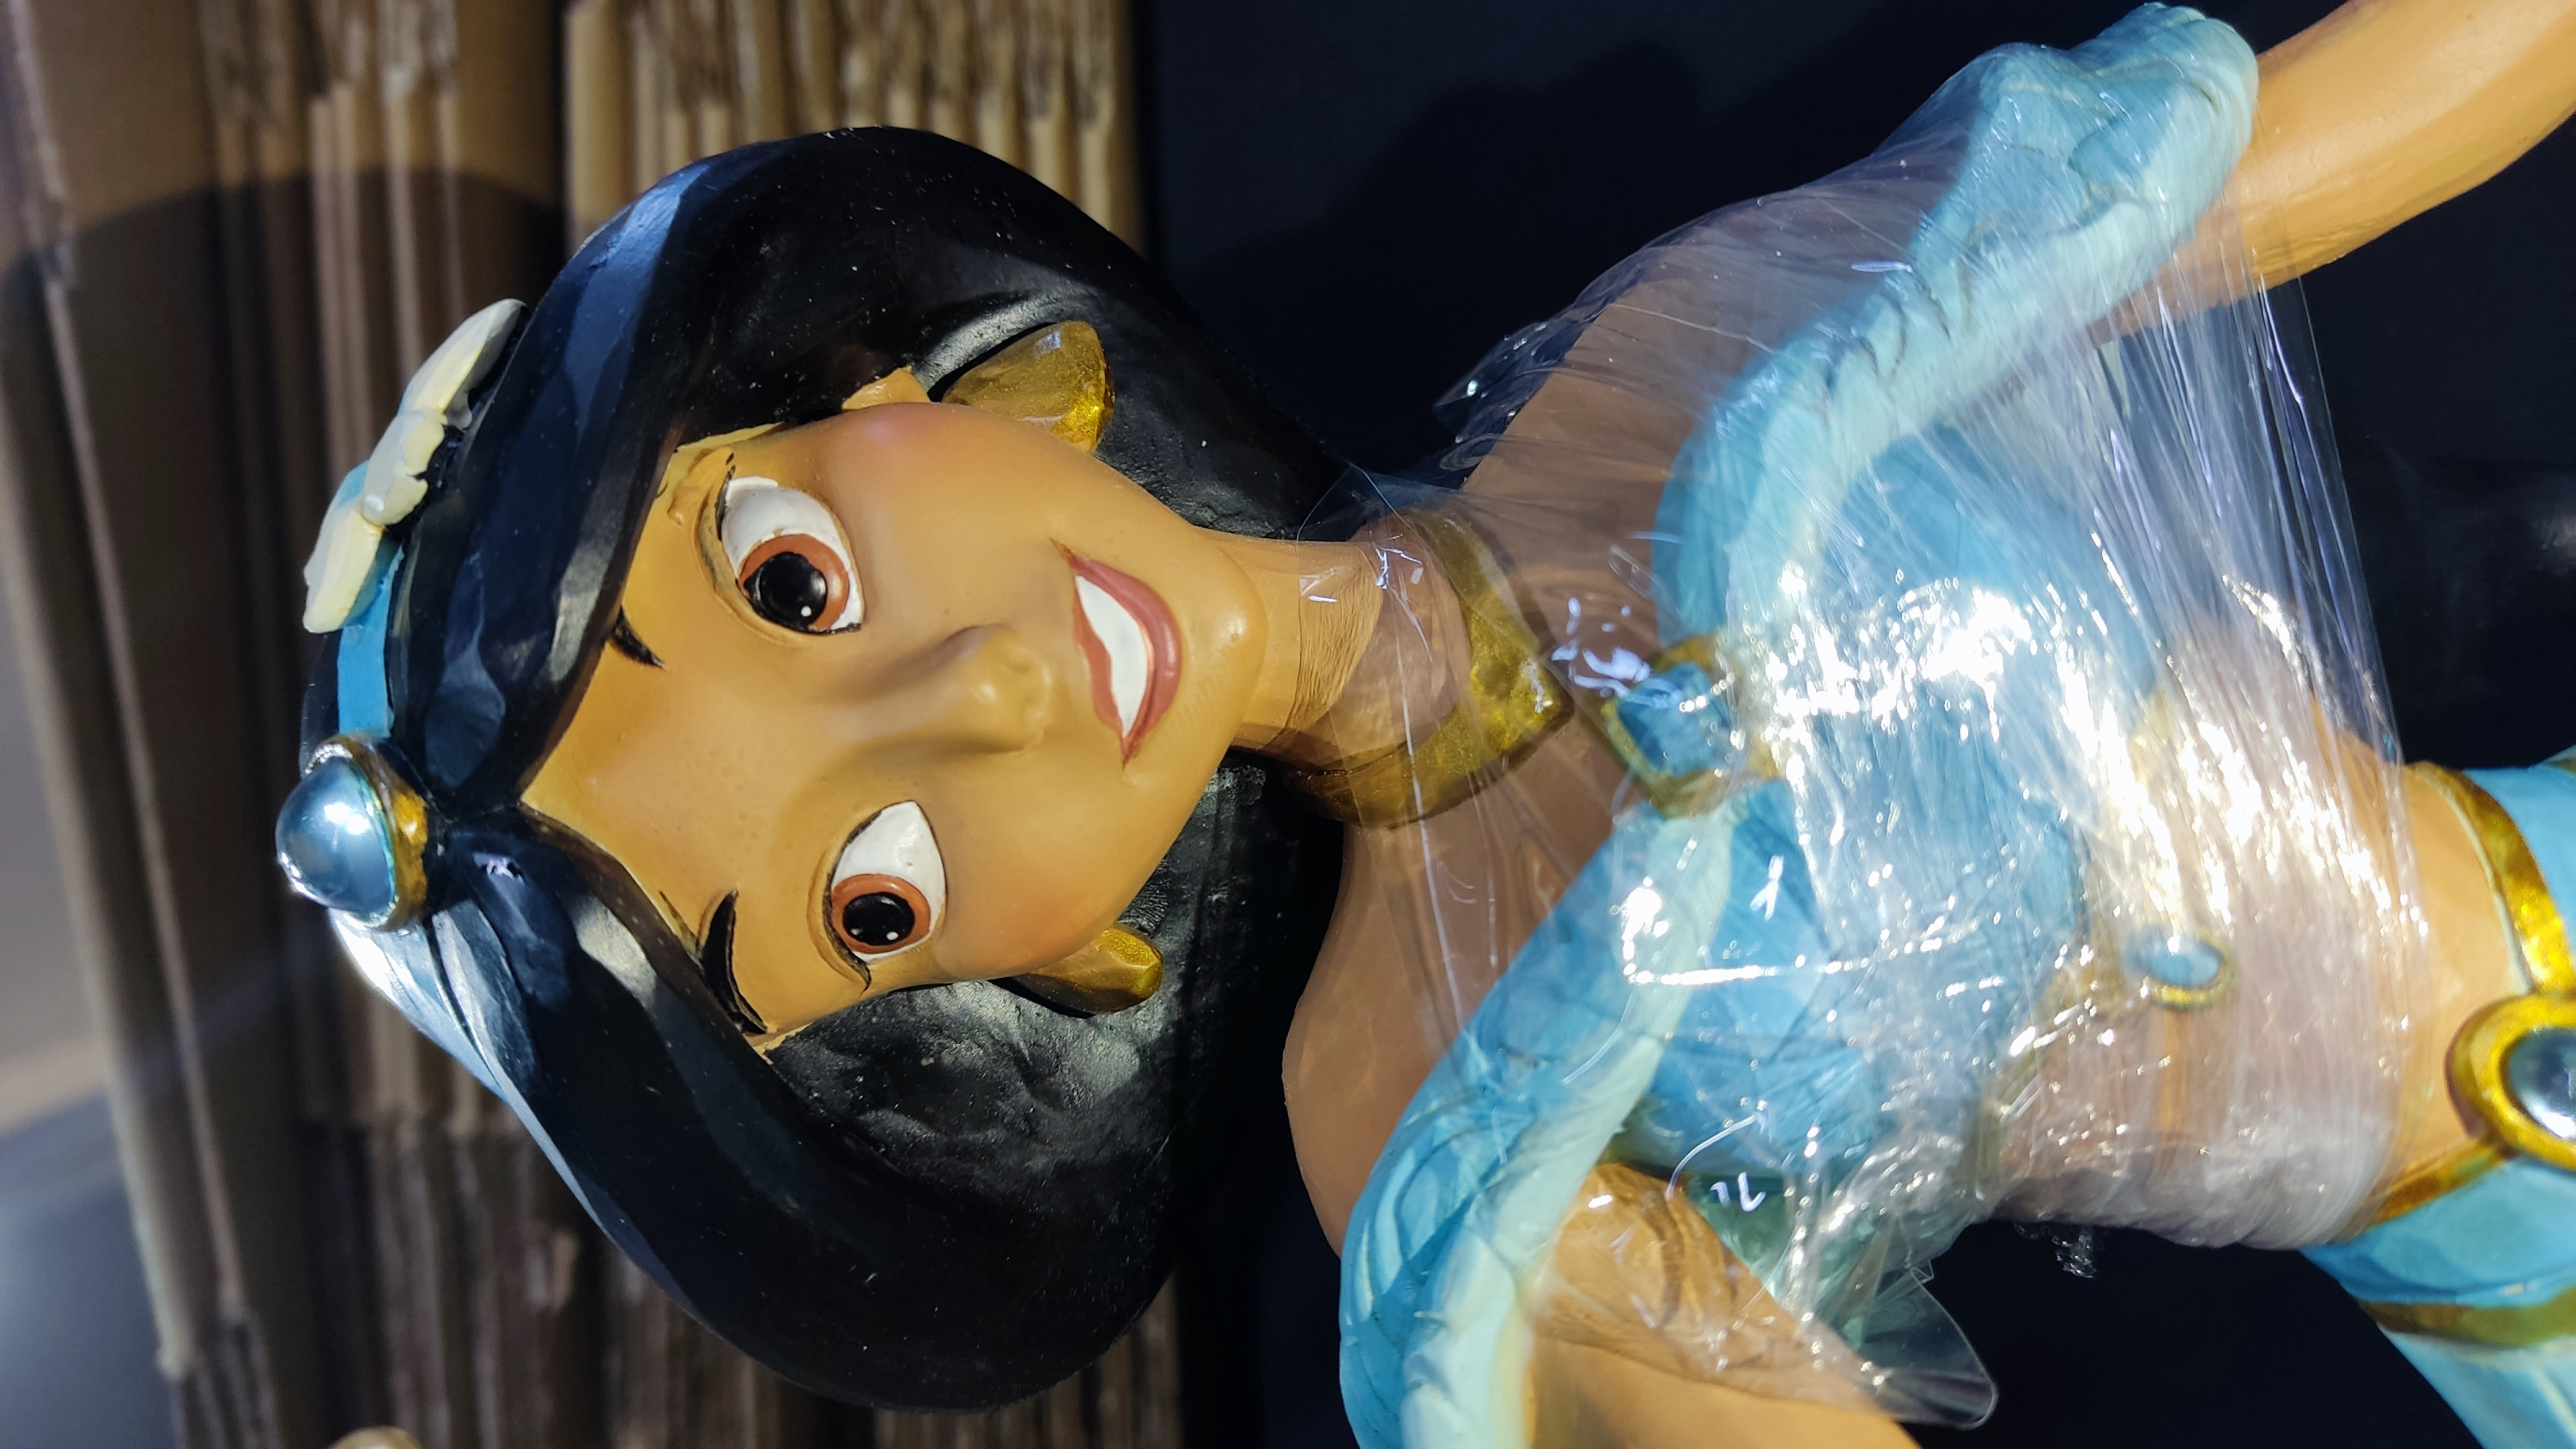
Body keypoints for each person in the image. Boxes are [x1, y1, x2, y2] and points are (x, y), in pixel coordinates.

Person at [272, 1, 2576, 1443]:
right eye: (873, 897)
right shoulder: (1426, 1096)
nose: (985, 691)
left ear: (882, 391)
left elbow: (2359, 112)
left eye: (797, 583)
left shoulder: (1660, 377)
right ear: (1008, 995)